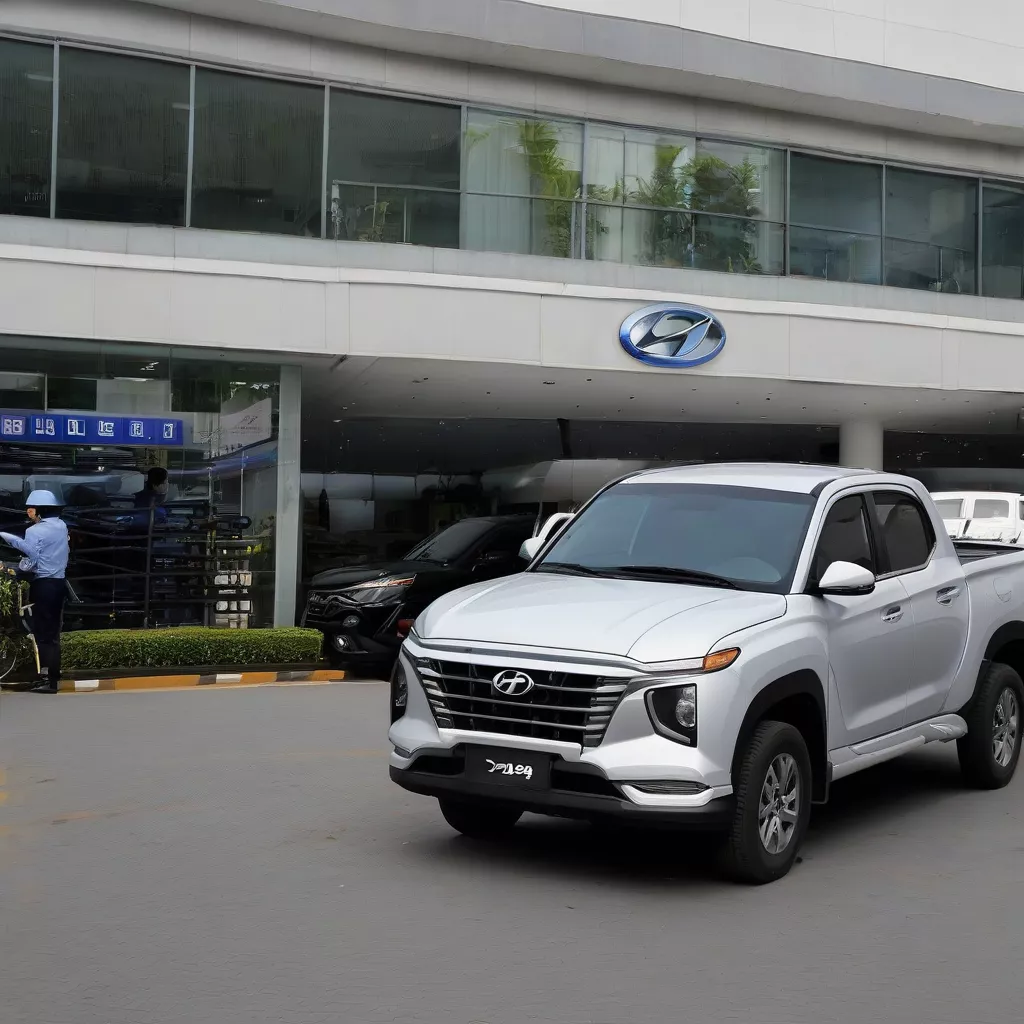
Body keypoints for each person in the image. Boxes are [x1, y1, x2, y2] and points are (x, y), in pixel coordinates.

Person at [0, 490, 70, 694]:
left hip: (44, 584)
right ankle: (52, 677)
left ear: (41, 510)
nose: (29, 513)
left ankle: (49, 681)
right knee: (53, 632)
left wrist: (16, 563)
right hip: (59, 584)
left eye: (31, 509)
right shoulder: (61, 525)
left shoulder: (34, 531)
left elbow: (31, 561)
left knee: (43, 632)